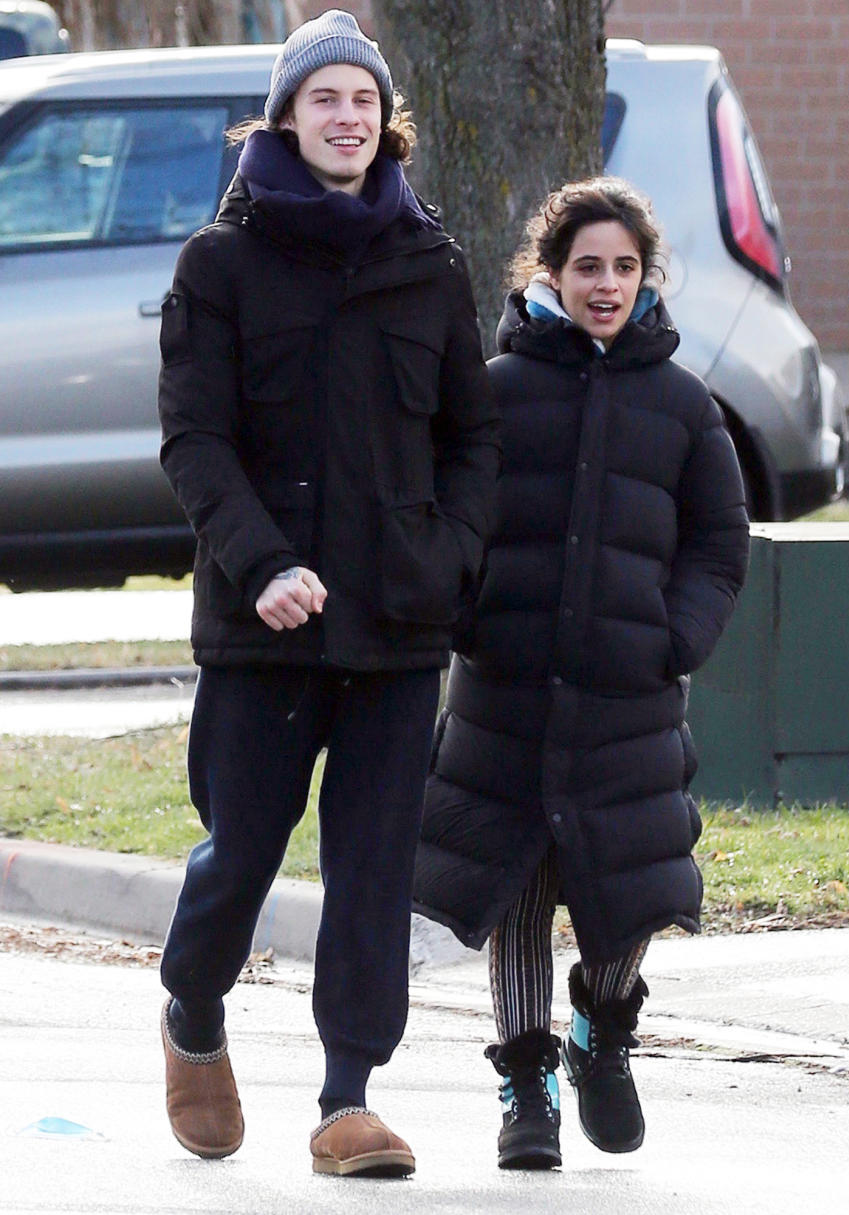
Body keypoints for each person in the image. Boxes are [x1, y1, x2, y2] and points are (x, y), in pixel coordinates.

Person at [157, 10, 499, 1178]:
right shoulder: (220, 263)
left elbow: (472, 441)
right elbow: (195, 441)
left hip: (398, 627)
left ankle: (348, 1098)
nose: (346, 118)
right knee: (240, 853)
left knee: (370, 870)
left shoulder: (430, 262)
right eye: (323, 100)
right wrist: (262, 567)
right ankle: (192, 1012)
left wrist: (449, 554)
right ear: (287, 119)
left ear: (382, 121)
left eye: (362, 100)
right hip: (264, 631)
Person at [414, 177, 750, 1169]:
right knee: (517, 890)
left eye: (624, 268)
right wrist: (469, 616)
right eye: (586, 267)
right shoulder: (493, 390)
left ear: (647, 281)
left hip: (627, 703)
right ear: (548, 275)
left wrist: (675, 636)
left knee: (627, 889)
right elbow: (447, 515)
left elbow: (719, 541)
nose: (605, 286)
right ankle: (526, 1089)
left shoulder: (687, 408)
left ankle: (602, 1028)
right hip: (505, 697)